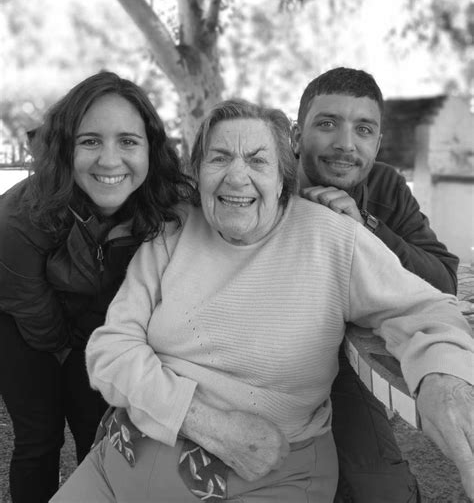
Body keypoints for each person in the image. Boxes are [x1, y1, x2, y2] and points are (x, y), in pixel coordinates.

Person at [51, 98, 473, 503]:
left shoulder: (332, 239)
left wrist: (442, 376)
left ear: (282, 178)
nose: (237, 177)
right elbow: (111, 349)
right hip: (115, 463)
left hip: (259, 480)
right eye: (219, 158)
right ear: (197, 173)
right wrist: (206, 422)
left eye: (257, 160)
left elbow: (426, 307)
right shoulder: (174, 231)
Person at [0, 71, 195, 503]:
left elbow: (236, 204)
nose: (110, 160)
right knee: (39, 437)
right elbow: (33, 311)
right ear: (65, 148)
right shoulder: (17, 217)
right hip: (27, 328)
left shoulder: (168, 201)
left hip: (99, 326)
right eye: (90, 141)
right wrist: (71, 357)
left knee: (102, 432)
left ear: (150, 148)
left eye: (128, 141)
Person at [292, 67, 460, 502]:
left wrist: (365, 226)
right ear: (296, 135)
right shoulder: (263, 182)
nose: (346, 144)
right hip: (269, 360)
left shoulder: (385, 185)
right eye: (327, 124)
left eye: (363, 129)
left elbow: (442, 280)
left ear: (377, 142)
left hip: (346, 359)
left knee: (381, 489)